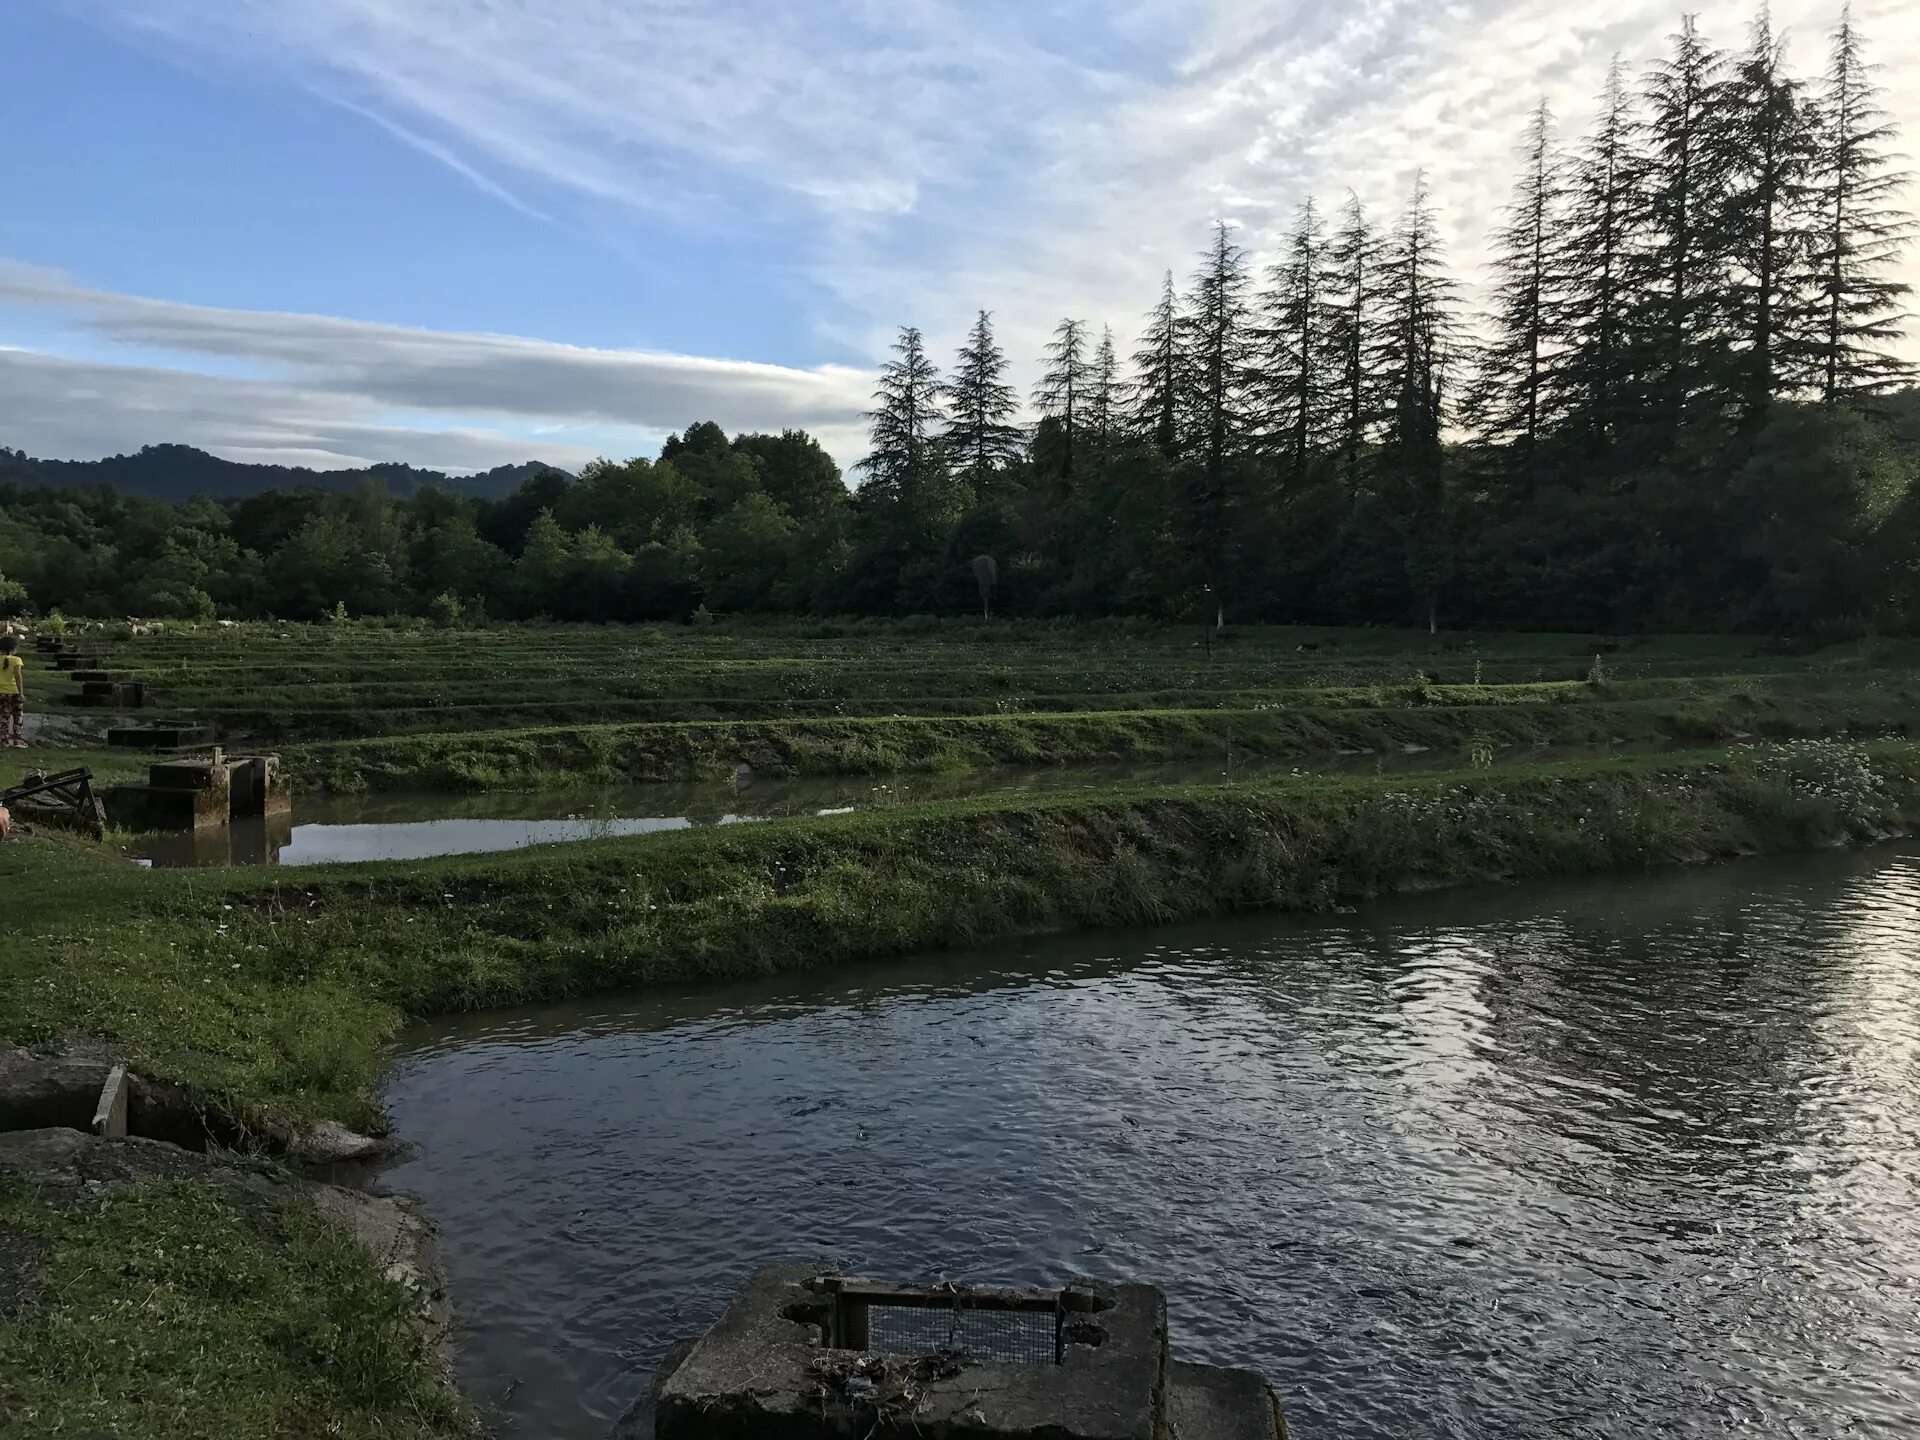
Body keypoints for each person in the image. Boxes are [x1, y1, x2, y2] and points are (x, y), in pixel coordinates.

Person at [0, 634, 25, 748]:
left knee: (3, 718)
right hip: (14, 692)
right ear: (13, 649)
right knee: (17, 717)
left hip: (1, 693)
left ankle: (3, 740)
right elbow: (18, 676)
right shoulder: (17, 660)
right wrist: (21, 693)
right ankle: (17, 740)